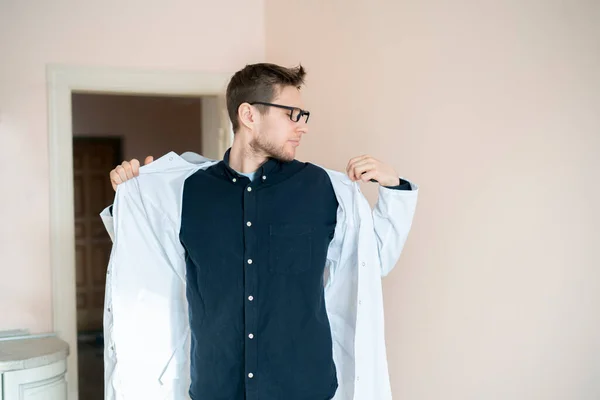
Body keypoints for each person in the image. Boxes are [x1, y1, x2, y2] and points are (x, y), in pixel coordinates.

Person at [102, 63, 418, 400]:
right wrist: (130, 198)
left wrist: (394, 188)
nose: (302, 127)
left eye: (302, 116)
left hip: (304, 389)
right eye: (291, 114)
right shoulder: (186, 193)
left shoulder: (324, 190)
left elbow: (375, 261)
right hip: (216, 389)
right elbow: (144, 266)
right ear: (249, 115)